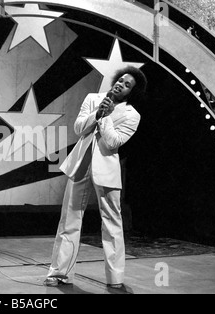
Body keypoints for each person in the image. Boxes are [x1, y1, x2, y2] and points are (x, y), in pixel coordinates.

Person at [44, 66, 147, 290]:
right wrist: (97, 113)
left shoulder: (132, 115)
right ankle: (59, 273)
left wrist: (107, 118)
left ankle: (115, 278)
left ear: (132, 92)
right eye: (120, 80)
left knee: (112, 224)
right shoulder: (93, 99)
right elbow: (79, 128)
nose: (121, 84)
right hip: (81, 164)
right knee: (69, 219)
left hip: (107, 171)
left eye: (127, 84)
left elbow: (113, 143)